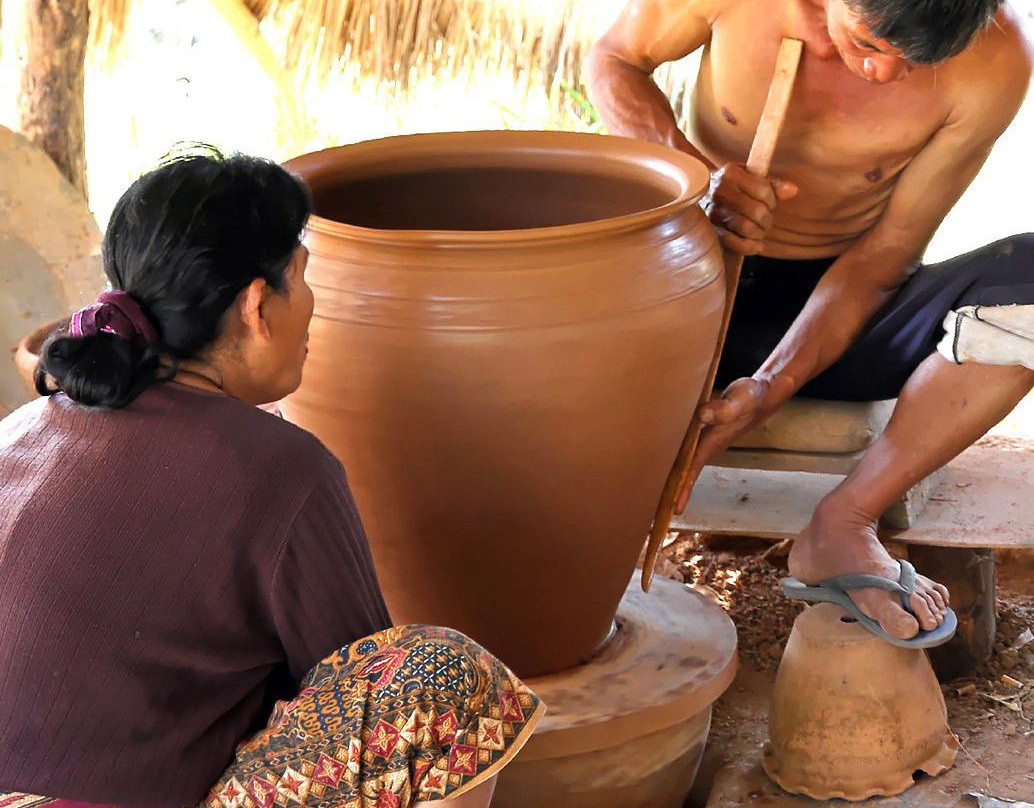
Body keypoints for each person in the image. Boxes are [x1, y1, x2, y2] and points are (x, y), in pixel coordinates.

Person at [0, 151, 543, 808]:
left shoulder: (23, 426)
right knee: (438, 679)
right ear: (258, 305)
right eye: (301, 276)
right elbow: (358, 685)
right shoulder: (284, 469)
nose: (311, 304)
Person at [587, 0, 1033, 642]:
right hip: (684, 283)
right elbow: (614, 60)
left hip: (841, 318)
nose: (885, 75)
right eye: (869, 42)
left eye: (917, 62)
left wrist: (770, 387)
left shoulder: (997, 57)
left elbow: (882, 257)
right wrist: (694, 177)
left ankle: (845, 522)